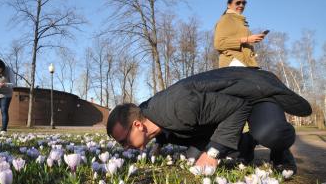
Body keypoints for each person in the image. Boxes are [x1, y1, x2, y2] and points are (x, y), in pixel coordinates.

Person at [107, 67, 312, 173]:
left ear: (137, 125)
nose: (125, 147)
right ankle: (247, 143)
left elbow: (238, 106)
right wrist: (158, 145)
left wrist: (213, 153)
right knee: (195, 153)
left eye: (124, 140)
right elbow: (160, 128)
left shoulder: (180, 108)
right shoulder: (147, 113)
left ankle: (280, 152)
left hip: (253, 92)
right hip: (226, 103)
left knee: (269, 133)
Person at [214, 0, 267, 68]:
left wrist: (254, 39)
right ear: (229, 5)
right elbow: (219, 44)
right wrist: (247, 39)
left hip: (246, 63)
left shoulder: (241, 21)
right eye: (238, 3)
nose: (241, 5)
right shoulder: (226, 18)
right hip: (233, 61)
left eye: (244, 3)